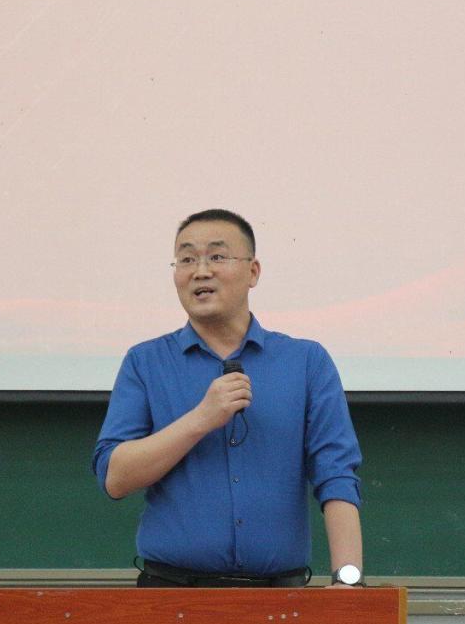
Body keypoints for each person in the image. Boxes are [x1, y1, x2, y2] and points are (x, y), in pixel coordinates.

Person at [92, 209, 364, 588]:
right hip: (170, 595)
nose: (200, 271)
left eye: (217, 257)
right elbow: (115, 478)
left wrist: (348, 580)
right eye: (187, 259)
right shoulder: (146, 362)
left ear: (253, 272)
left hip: (279, 598)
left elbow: (336, 475)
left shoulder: (305, 362)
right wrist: (201, 419)